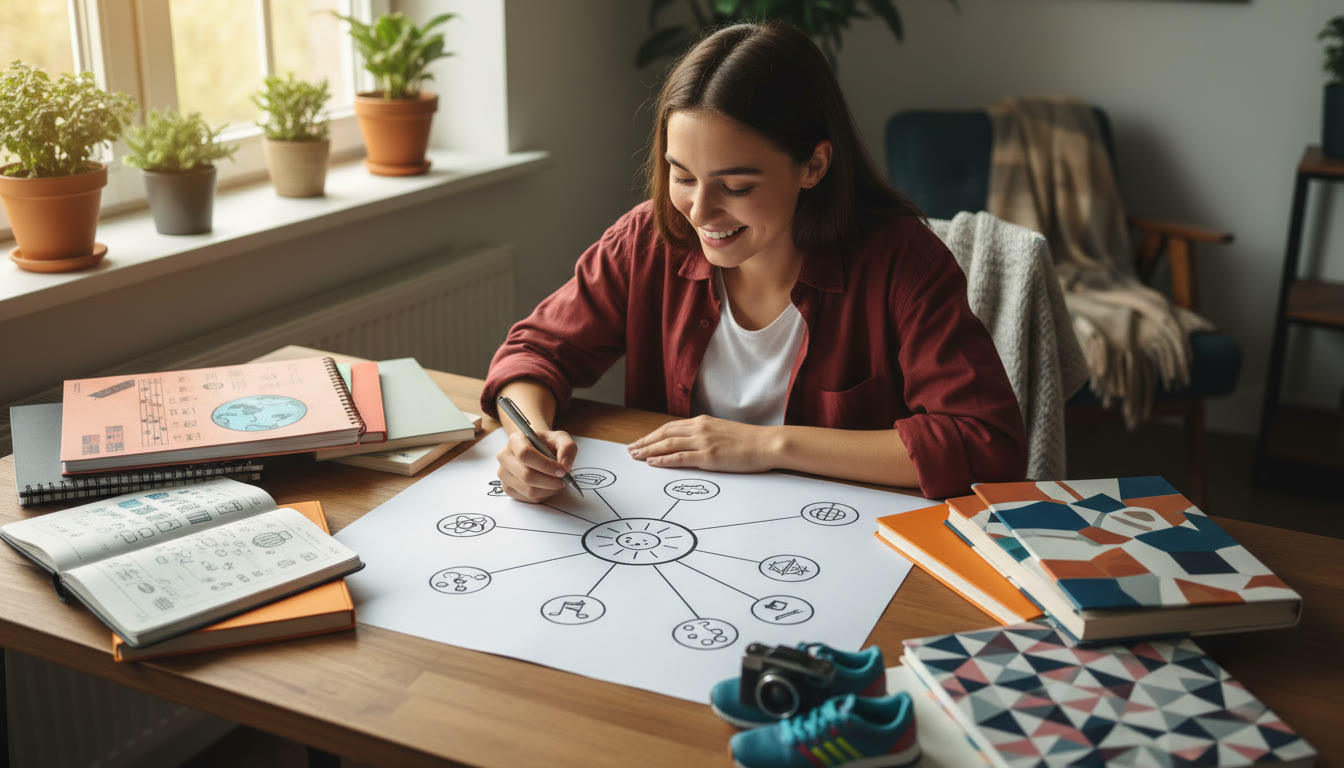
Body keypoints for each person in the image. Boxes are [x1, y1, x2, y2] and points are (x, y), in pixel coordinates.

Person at [482, 21, 1026, 503]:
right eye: (682, 176)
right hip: (680, 525)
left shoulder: (902, 261)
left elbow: (985, 442)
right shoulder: (649, 238)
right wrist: (524, 437)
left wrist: (766, 445)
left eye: (736, 186)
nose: (699, 212)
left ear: (813, 165)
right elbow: (533, 353)